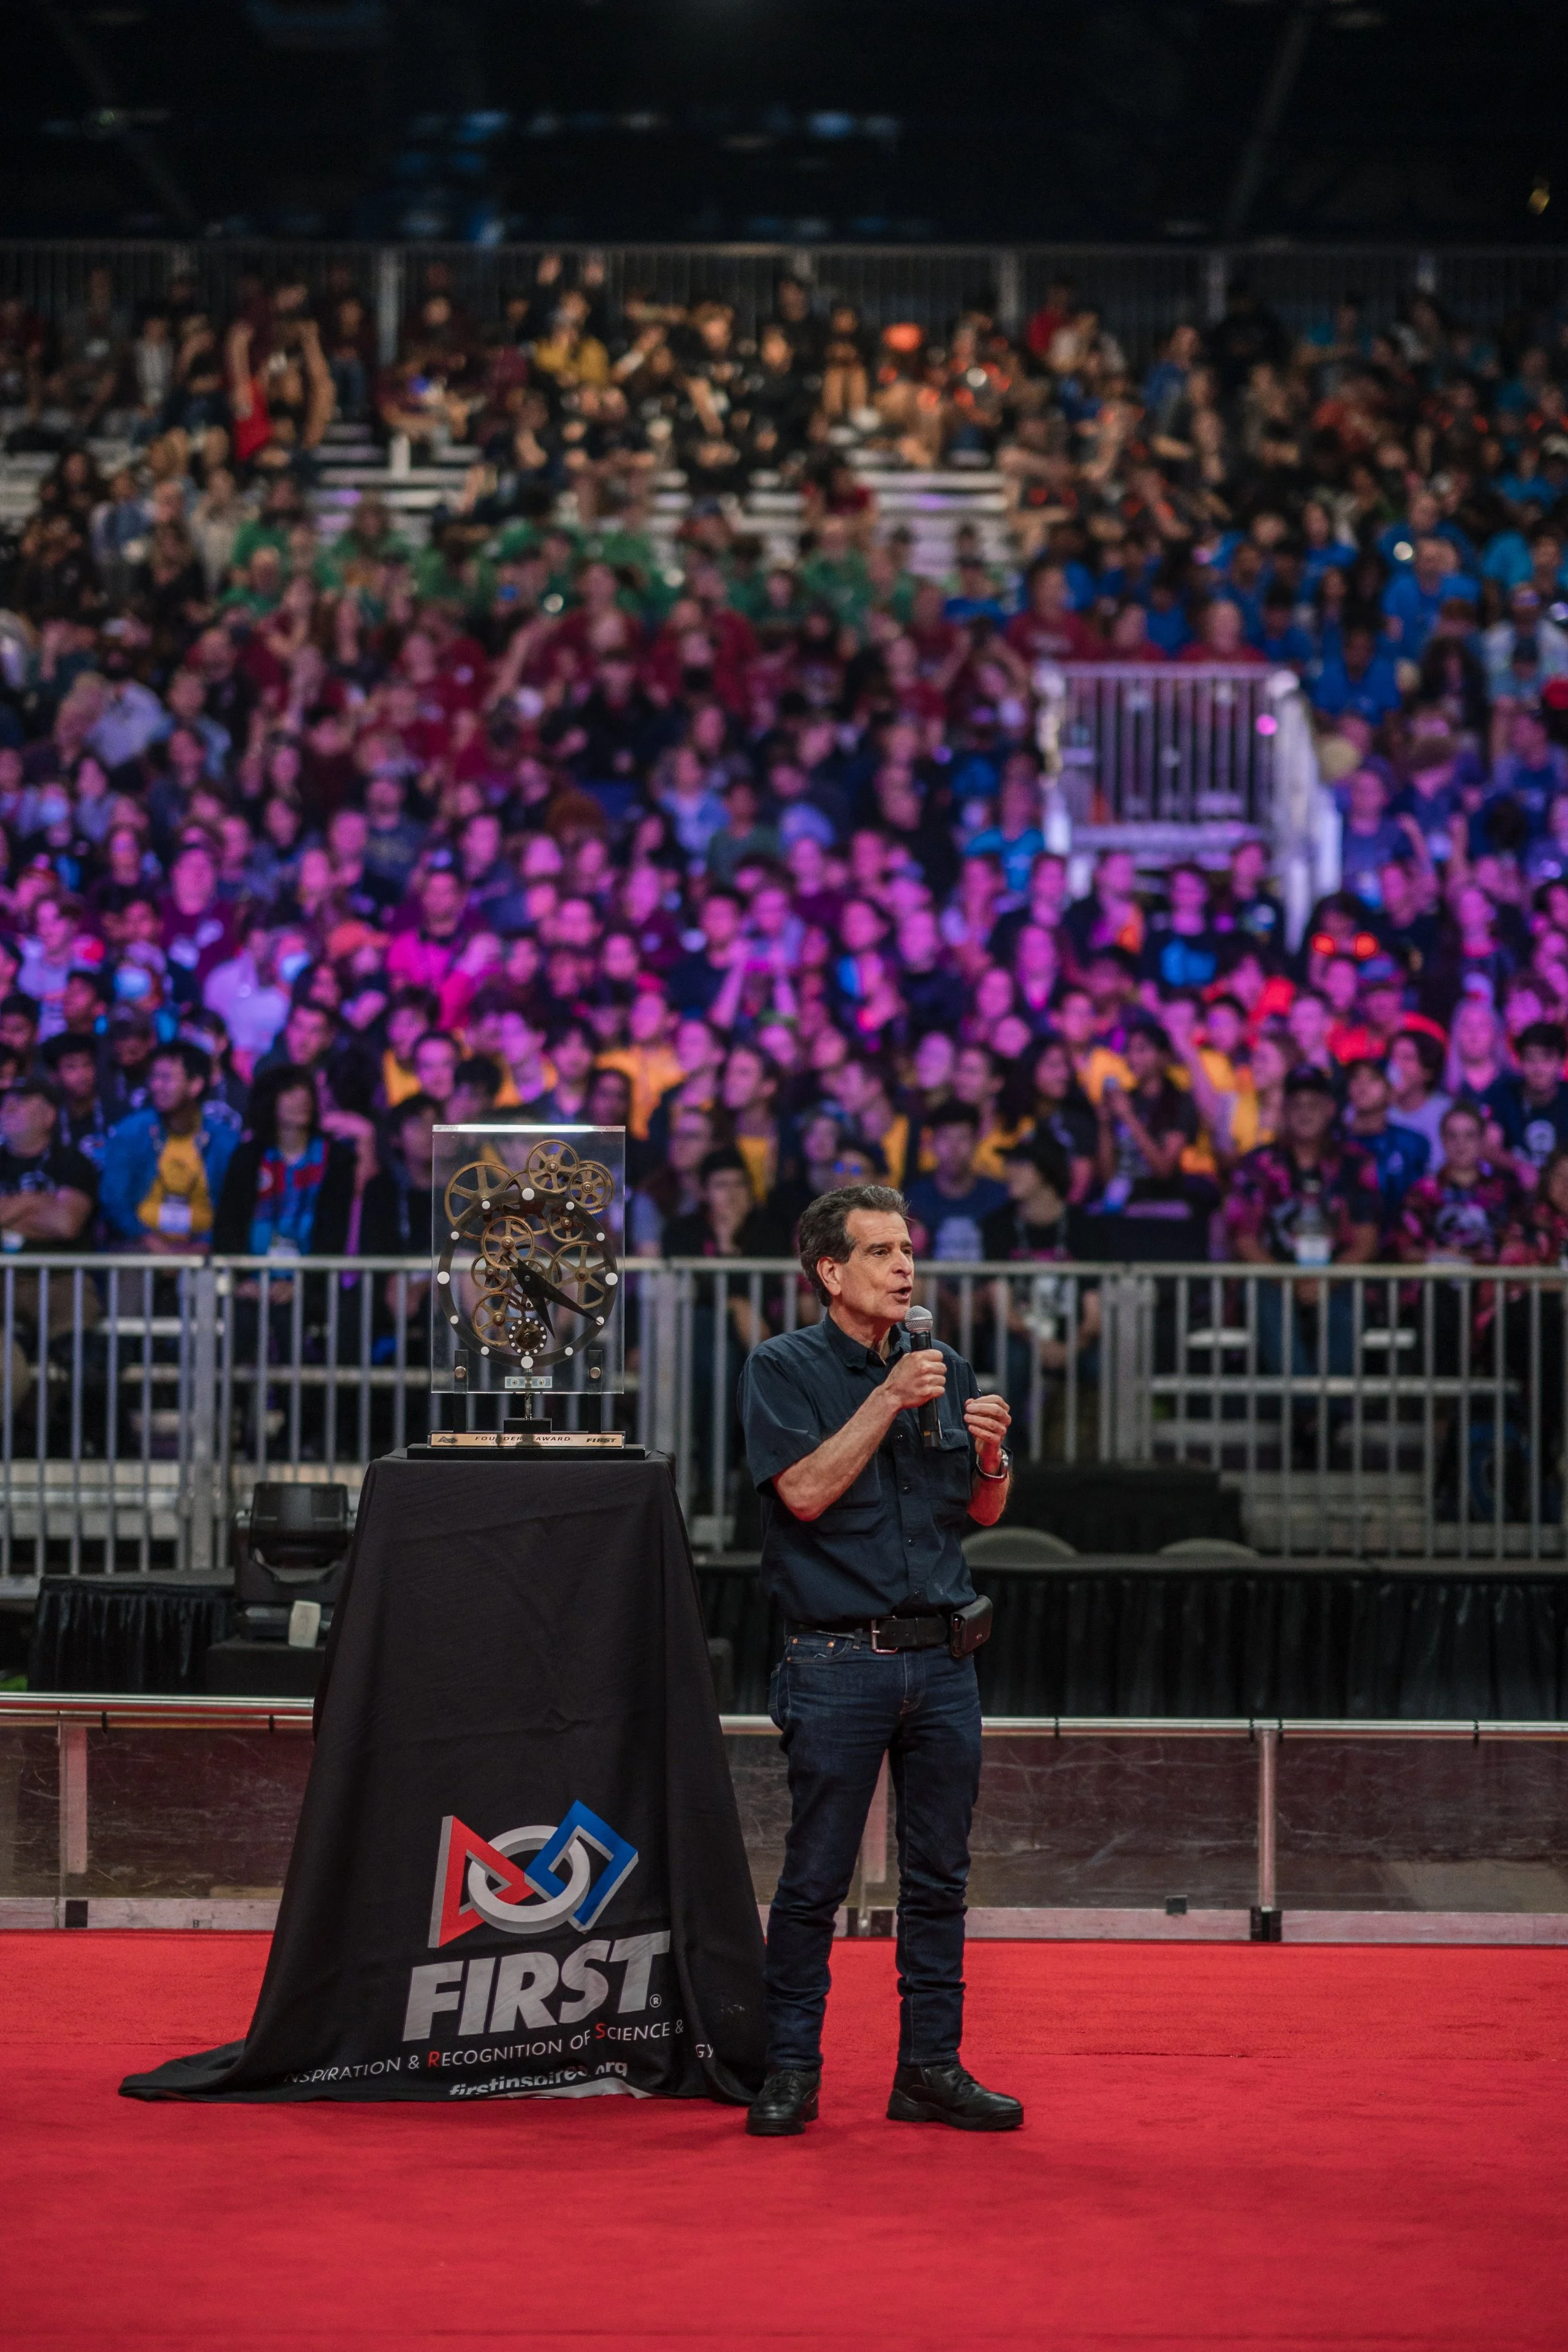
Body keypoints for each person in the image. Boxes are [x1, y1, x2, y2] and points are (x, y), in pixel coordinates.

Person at [736, 1183, 1019, 2137]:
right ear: (829, 1270)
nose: (905, 1268)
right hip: (836, 1660)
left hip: (943, 1660)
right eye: (881, 1252)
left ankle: (929, 2068)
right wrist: (887, 1398)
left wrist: (992, 1461)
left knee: (940, 1878)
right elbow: (805, 1494)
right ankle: (791, 2070)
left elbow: (977, 1517)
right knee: (814, 1879)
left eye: (908, 1250)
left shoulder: (942, 1363)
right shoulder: (782, 1367)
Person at [99, 1041, 240, 1253]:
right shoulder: (131, 1132)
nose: (156, 1086)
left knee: (211, 1275)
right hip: (142, 1247)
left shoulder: (224, 1141)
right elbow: (114, 1201)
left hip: (203, 1251)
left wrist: (204, 1245)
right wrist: (148, 1240)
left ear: (196, 1085)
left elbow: (233, 1209)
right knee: (129, 1261)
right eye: (154, 1077)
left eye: (166, 1078)